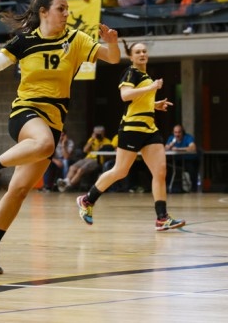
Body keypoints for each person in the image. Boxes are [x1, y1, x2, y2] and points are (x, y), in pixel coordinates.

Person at [0, 0, 121, 273]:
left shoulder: (76, 40)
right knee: (44, 143)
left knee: (19, 190)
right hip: (25, 113)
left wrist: (113, 43)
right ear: (44, 12)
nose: (67, 13)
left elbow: (114, 59)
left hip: (54, 121)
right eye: (61, 8)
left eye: (68, 9)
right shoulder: (24, 42)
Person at [75, 41, 185, 231]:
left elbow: (139, 101)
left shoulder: (145, 76)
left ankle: (162, 218)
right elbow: (125, 96)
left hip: (150, 129)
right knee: (120, 171)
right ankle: (87, 200)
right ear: (131, 56)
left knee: (160, 172)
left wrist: (155, 104)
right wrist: (151, 89)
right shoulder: (130, 72)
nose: (142, 54)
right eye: (138, 52)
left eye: (144, 51)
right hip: (131, 128)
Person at [56, 125, 112, 192]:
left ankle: (68, 185)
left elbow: (109, 154)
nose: (97, 135)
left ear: (103, 133)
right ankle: (66, 182)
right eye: (96, 133)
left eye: (99, 133)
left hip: (97, 160)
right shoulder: (92, 139)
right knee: (72, 167)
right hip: (87, 158)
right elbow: (85, 150)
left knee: (80, 170)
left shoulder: (107, 141)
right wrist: (92, 140)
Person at [165, 124, 199, 192]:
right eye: (175, 132)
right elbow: (165, 148)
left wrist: (179, 149)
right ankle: (170, 187)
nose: (177, 134)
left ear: (182, 132)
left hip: (188, 159)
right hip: (176, 160)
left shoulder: (188, 137)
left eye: (179, 132)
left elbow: (193, 148)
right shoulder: (171, 138)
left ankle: (194, 188)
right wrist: (169, 146)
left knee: (191, 168)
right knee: (166, 167)